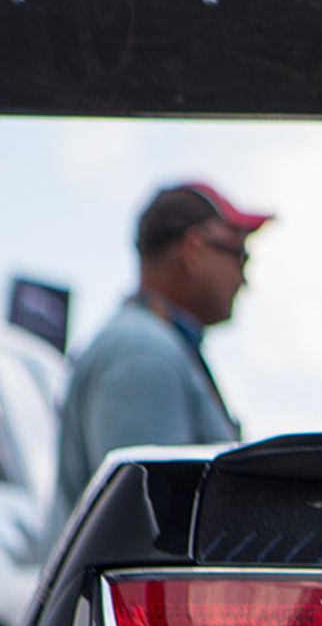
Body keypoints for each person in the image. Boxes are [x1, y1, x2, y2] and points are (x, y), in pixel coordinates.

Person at [53, 182, 270, 514]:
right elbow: (145, 525)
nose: (244, 280)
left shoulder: (151, 344)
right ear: (194, 249)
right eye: (239, 256)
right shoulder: (142, 354)